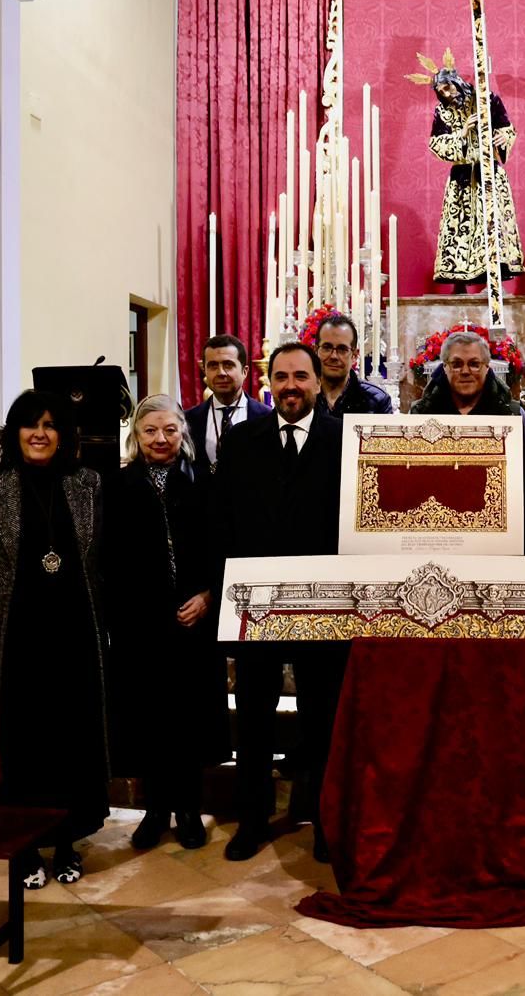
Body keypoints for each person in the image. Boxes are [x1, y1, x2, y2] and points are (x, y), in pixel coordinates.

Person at [0, 390, 110, 888]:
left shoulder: (87, 483)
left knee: (69, 742)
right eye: (30, 424)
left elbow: (101, 561)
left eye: (51, 425)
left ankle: (67, 842)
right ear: (15, 433)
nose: (40, 433)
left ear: (64, 435)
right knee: (21, 744)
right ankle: (26, 847)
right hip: (15, 642)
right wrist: (1, 607)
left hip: (73, 635)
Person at [215, 343, 345, 862]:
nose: (291, 386)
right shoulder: (243, 439)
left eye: (301, 377)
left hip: (326, 602)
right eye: (282, 377)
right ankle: (252, 819)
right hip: (259, 600)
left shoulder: (344, 439)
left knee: (323, 716)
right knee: (253, 716)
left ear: (317, 381)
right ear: (268, 381)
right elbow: (223, 517)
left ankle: (323, 822)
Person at [107, 394, 224, 851]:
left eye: (170, 430)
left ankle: (189, 808)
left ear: (183, 433)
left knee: (189, 715)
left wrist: (208, 595)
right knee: (149, 715)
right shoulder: (116, 487)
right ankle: (156, 809)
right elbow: (111, 558)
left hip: (195, 620)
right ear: (136, 436)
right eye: (150, 431)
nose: (161, 438)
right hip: (141, 624)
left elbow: (221, 546)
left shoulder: (206, 483)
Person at [405, 49, 525, 290]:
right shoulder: (442, 112)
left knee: (492, 225)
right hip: (461, 178)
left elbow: (507, 128)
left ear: (457, 82)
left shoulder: (487, 100)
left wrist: (503, 138)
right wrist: (461, 132)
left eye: (449, 88)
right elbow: (436, 143)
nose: (448, 94)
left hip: (489, 173)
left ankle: (495, 281)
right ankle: (459, 283)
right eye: (442, 92)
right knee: (460, 227)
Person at [185, 334, 270, 476]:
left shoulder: (267, 417)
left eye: (228, 365)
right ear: (204, 371)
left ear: (245, 371)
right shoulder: (188, 419)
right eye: (213, 366)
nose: (221, 373)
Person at [411, 331, 523, 417]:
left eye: (474, 364)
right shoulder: (420, 412)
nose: (465, 371)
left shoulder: (512, 413)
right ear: (445, 367)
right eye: (456, 364)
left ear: (487, 367)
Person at [314, 313, 393, 416]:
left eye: (342, 349)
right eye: (327, 347)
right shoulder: (302, 396)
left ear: (355, 356)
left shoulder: (377, 400)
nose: (334, 356)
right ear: (315, 351)